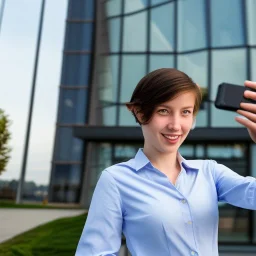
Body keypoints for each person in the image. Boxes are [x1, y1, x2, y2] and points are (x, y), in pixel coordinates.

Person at [75, 68, 256, 256]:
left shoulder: (210, 172)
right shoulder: (116, 180)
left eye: (185, 112)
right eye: (163, 111)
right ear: (139, 112)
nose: (175, 125)